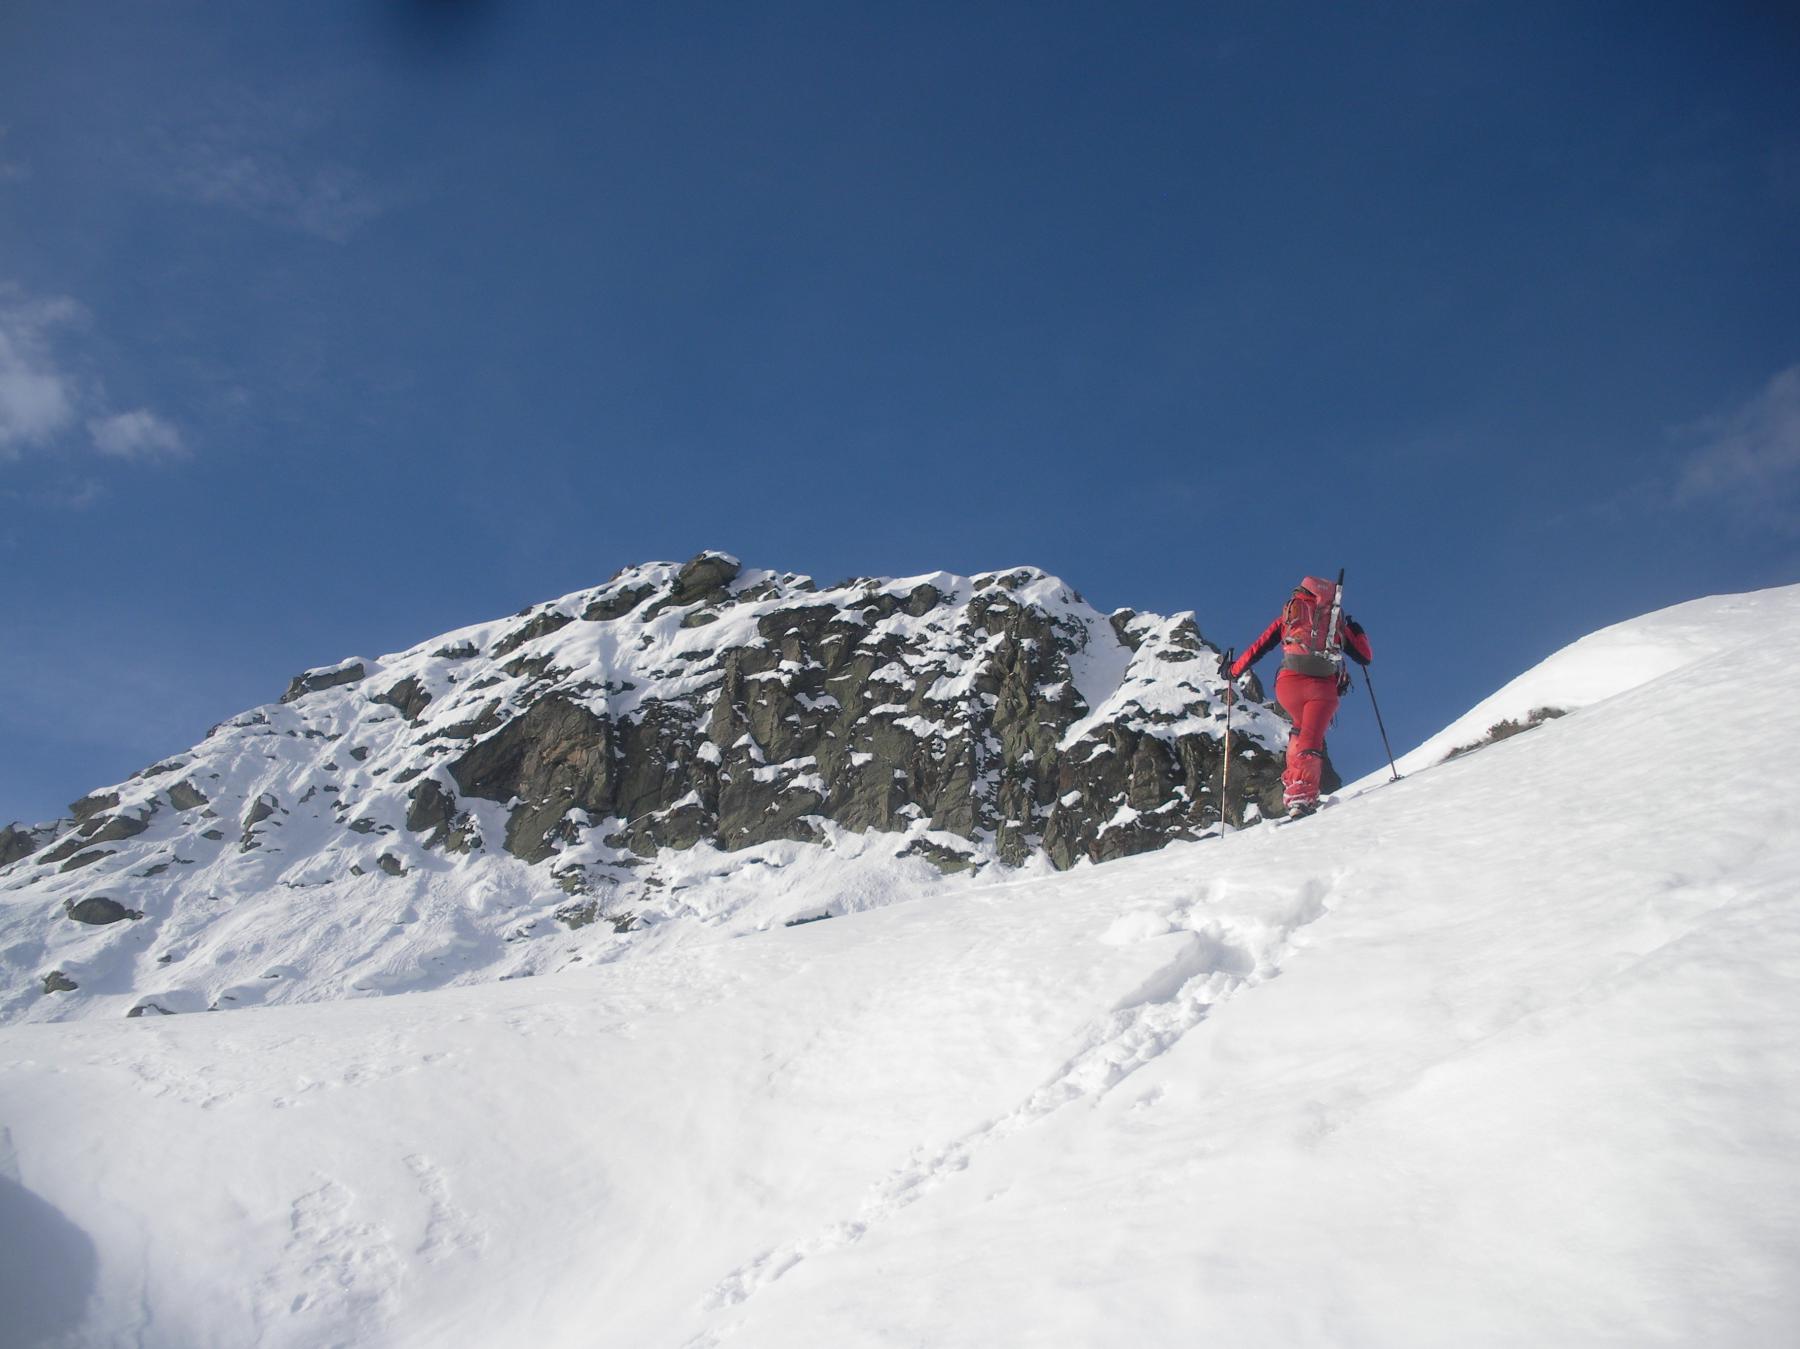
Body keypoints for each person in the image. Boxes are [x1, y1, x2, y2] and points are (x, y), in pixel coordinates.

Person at [1226, 575, 1373, 817]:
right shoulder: (1335, 620)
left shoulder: (1289, 616)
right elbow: (1365, 656)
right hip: (1322, 688)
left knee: (1300, 730)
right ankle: (1301, 797)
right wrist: (1358, 632)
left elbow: (1258, 647)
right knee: (1311, 738)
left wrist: (1232, 671)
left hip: (1288, 684)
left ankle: (1295, 790)